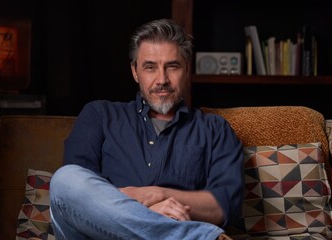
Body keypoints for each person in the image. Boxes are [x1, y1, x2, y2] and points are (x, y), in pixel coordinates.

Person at [49, 18, 244, 240]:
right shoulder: (99, 115)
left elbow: (223, 205)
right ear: (135, 72)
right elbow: (77, 194)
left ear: (187, 70)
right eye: (150, 67)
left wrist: (158, 194)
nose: (162, 79)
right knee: (65, 179)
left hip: (175, 226)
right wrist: (145, 215)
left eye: (172, 66)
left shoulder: (214, 129)